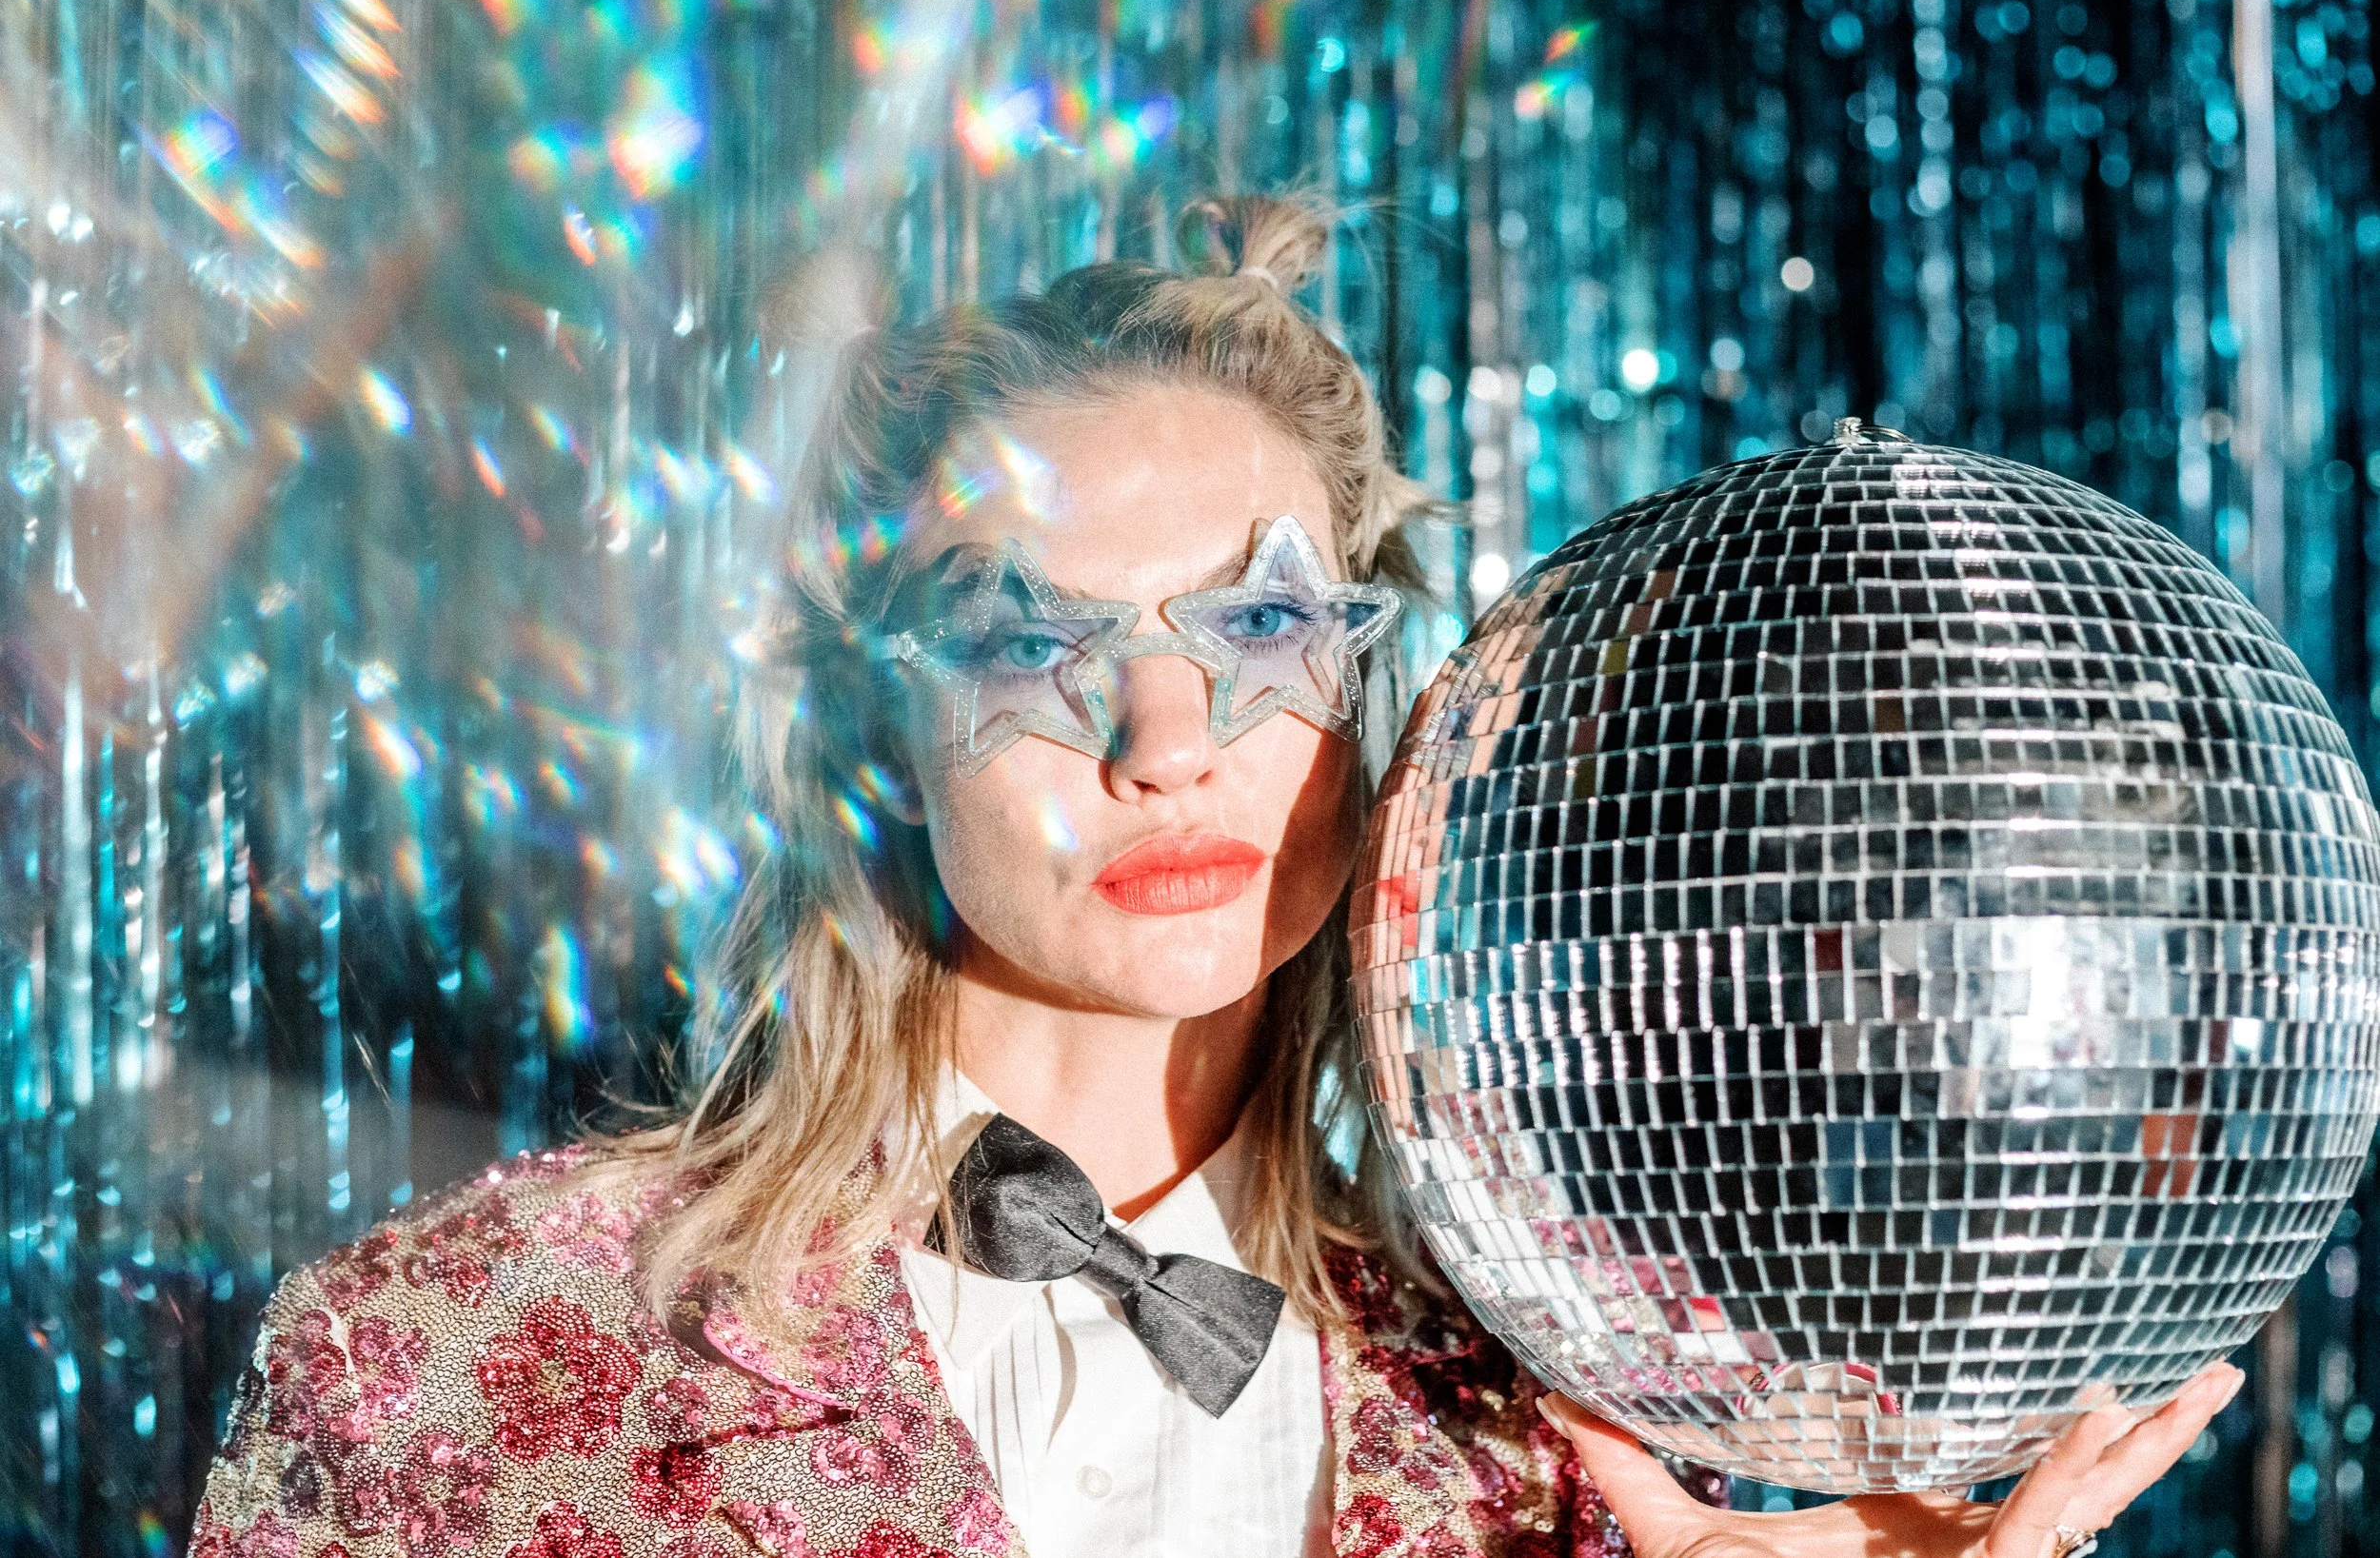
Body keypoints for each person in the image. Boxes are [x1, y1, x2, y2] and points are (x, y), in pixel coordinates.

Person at [191, 194, 2240, 1558]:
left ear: (1373, 692)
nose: (1165, 742)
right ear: (876, 737)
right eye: (1028, 640)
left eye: (1258, 626)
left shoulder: (1594, 1421)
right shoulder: (432, 1361)